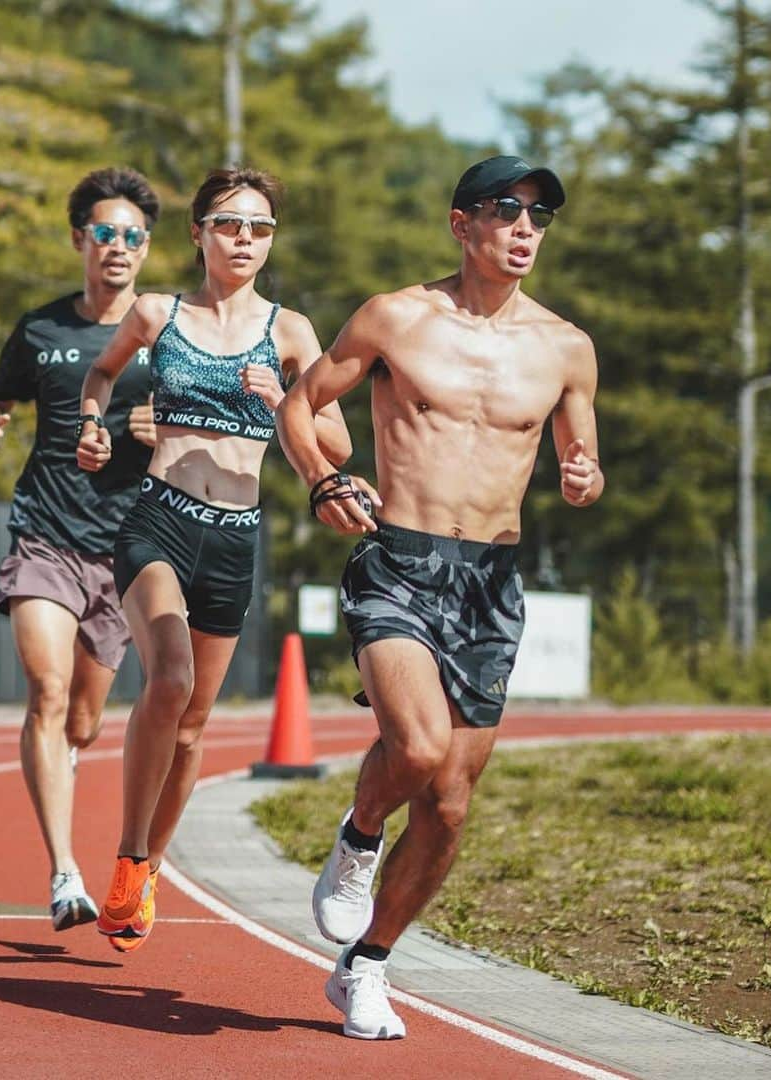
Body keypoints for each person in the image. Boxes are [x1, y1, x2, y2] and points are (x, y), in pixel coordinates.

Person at [275, 155, 604, 1040]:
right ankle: (357, 834)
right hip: (400, 557)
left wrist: (582, 478)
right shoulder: (397, 317)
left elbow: (582, 462)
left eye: (539, 214)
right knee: (414, 749)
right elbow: (300, 407)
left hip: (491, 579)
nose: (526, 228)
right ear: (463, 225)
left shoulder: (567, 347)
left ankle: (369, 964)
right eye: (507, 210)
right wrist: (321, 481)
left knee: (452, 805)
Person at [76, 167, 352, 953]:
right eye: (230, 224)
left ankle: (152, 868)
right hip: (157, 521)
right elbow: (101, 372)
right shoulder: (158, 312)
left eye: (260, 228)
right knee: (170, 679)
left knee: (193, 730)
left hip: (234, 535)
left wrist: (281, 403)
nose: (245, 240)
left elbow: (338, 444)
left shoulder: (292, 332)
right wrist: (94, 422)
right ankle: (129, 857)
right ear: (198, 232)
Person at [0, 167, 160, 934]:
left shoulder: (164, 331)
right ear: (80, 239)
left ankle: (70, 752)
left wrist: (163, 433)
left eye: (133, 236)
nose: (118, 248)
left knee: (83, 720)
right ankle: (64, 873)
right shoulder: (41, 330)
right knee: (46, 694)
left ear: (147, 249)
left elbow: (213, 430)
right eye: (105, 233)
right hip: (44, 533)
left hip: (124, 547)